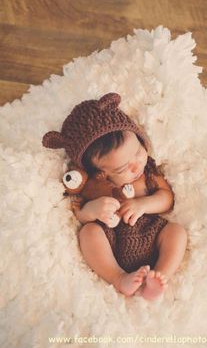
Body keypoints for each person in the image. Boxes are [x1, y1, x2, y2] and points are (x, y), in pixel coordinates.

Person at [42, 92, 187, 301]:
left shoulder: (148, 175)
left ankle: (159, 277)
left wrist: (143, 204)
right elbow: (80, 216)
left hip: (151, 233)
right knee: (89, 232)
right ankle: (119, 278)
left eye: (138, 152)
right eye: (123, 168)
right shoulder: (95, 187)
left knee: (176, 232)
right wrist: (92, 210)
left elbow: (167, 199)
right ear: (101, 174)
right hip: (112, 240)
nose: (137, 165)